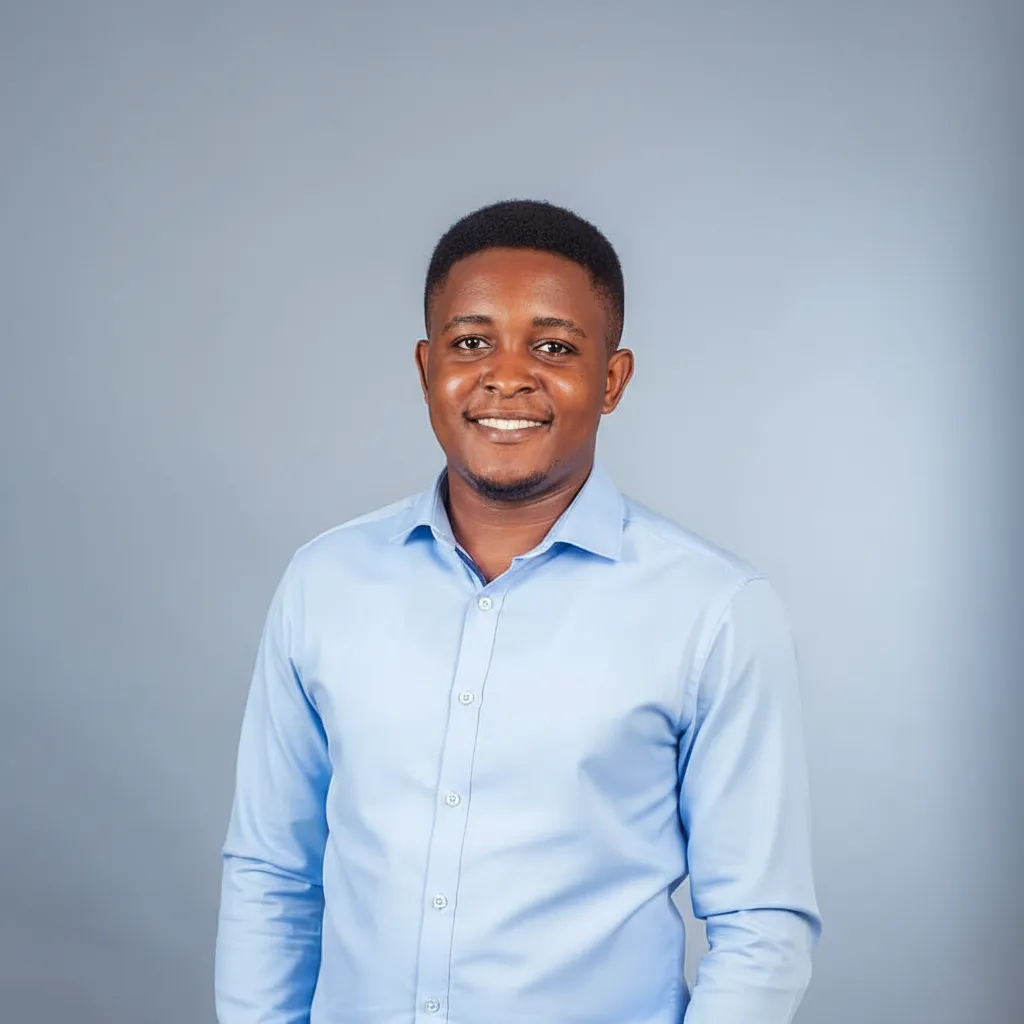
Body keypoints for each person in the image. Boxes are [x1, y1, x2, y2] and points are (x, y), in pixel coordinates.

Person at [214, 199, 821, 1024]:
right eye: (471, 343)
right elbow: (272, 873)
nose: (506, 376)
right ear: (426, 367)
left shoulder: (714, 612)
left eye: (554, 346)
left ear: (612, 380)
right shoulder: (323, 583)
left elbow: (761, 925)